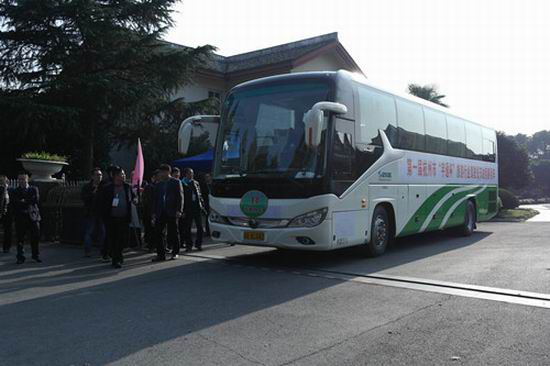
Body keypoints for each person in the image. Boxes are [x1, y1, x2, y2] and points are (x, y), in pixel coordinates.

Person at [99, 168, 134, 269]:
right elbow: (102, 203)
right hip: (111, 219)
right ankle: (116, 259)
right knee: (114, 240)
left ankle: (118, 255)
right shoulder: (107, 188)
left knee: (122, 240)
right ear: (114, 176)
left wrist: (135, 200)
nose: (123, 176)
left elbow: (132, 197)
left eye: (123, 174)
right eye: (120, 174)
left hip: (124, 218)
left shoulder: (127, 187)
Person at [151, 164, 183, 262]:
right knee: (159, 233)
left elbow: (180, 197)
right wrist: (153, 213)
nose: (160, 174)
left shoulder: (176, 182)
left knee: (173, 232)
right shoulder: (158, 184)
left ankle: (175, 252)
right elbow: (155, 200)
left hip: (172, 211)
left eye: (161, 172)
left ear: (167, 172)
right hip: (161, 212)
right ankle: (161, 255)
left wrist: (179, 210)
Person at [12, 172, 41, 264]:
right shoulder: (15, 191)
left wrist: (23, 201)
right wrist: (26, 201)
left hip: (33, 216)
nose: (21, 181)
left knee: (35, 237)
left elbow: (35, 200)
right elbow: (15, 202)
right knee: (20, 238)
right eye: (19, 179)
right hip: (20, 217)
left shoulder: (34, 189)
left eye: (23, 179)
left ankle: (35, 255)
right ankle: (20, 257)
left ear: (27, 180)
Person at [81, 168, 106, 258]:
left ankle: (103, 250)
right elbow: (84, 198)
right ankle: (87, 250)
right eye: (97, 175)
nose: (99, 177)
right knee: (89, 232)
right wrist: (93, 193)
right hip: (90, 212)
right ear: (92, 176)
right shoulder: (87, 187)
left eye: (100, 175)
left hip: (101, 212)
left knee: (103, 232)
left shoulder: (104, 186)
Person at [182, 168, 206, 252]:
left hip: (197, 207)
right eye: (189, 173)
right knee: (187, 228)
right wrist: (182, 210)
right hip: (188, 208)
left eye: (192, 173)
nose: (191, 175)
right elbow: (181, 198)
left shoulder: (196, 183)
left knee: (200, 227)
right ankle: (189, 245)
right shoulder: (183, 183)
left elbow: (200, 195)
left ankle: (198, 244)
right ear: (186, 174)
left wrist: (202, 205)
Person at [142, 170, 158, 252]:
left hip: (156, 212)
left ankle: (154, 245)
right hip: (150, 212)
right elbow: (148, 201)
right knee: (150, 229)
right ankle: (151, 246)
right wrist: (152, 213)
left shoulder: (159, 186)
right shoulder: (149, 187)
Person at [0, 174, 11, 253]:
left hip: (8, 213)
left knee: (7, 230)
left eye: (4, 181)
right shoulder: (1, 189)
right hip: (1, 211)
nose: (3, 182)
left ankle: (6, 247)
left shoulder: (11, 190)